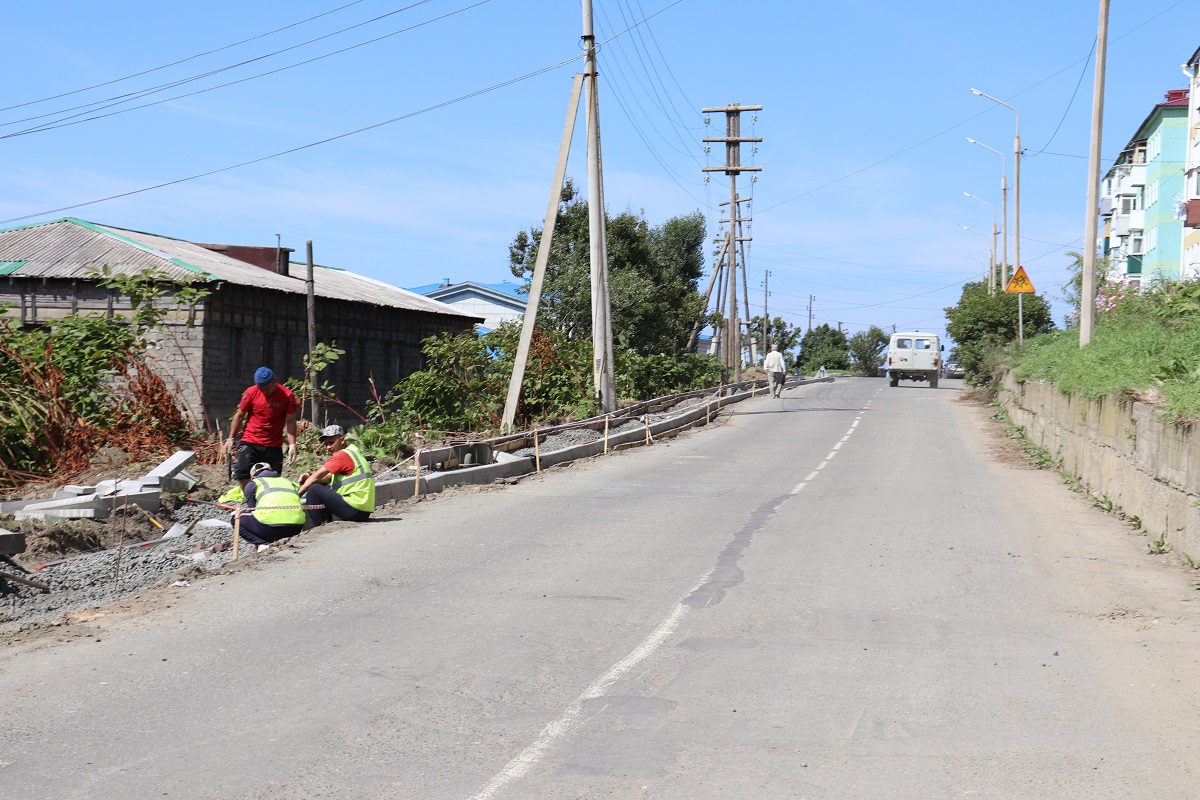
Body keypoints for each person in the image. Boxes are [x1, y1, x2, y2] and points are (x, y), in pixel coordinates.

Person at [224, 366, 298, 488]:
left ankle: (265, 501)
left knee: (274, 478)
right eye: (261, 389)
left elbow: (291, 421)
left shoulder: (287, 396)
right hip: (250, 440)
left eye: (267, 388)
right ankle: (250, 501)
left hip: (273, 444)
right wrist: (231, 438)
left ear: (275, 381)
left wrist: (292, 445)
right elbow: (239, 416)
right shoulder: (251, 392)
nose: (265, 392)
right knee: (242, 473)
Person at [296, 424, 375, 528]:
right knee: (322, 487)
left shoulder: (341, 455)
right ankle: (325, 525)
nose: (328, 447)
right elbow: (327, 478)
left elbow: (316, 477)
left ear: (341, 440)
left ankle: (318, 528)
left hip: (354, 508)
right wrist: (309, 477)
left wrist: (296, 496)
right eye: (326, 444)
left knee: (314, 490)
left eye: (331, 443)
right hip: (363, 510)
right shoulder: (353, 453)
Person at [238, 462, 305, 551]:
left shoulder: (254, 483)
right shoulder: (289, 482)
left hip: (271, 528)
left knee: (236, 517)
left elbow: (252, 509)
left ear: (253, 477)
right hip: (296, 528)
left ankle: (263, 543)